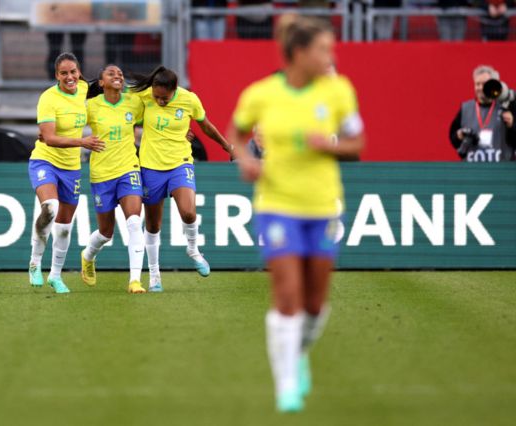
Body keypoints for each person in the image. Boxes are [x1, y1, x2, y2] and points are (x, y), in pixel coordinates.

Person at [229, 15, 364, 412]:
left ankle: (300, 351)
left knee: (315, 305)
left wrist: (330, 144)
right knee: (287, 297)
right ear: (300, 53)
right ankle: (286, 384)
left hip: (322, 206)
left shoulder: (338, 92)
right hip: (277, 206)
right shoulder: (262, 94)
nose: (331, 56)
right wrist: (244, 161)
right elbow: (237, 131)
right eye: (324, 49)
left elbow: (357, 143)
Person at [131, 66, 233, 292]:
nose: (159, 101)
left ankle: (193, 249)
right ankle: (155, 275)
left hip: (180, 163)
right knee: (153, 225)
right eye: (156, 97)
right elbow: (124, 118)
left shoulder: (189, 100)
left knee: (188, 212)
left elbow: (206, 126)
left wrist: (227, 146)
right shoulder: (144, 97)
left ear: (175, 90)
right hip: (150, 166)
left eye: (164, 98)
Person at [27, 52, 105, 294]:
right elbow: (48, 138)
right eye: (64, 73)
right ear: (56, 76)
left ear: (79, 72)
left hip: (71, 168)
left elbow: (118, 98)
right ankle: (34, 263)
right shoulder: (48, 98)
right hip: (45, 161)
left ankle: (56, 275)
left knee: (64, 226)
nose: (69, 77)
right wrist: (83, 142)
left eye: (73, 72)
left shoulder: (86, 90)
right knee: (50, 207)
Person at [79, 64, 147, 294]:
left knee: (135, 222)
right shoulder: (91, 106)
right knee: (106, 233)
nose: (118, 75)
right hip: (102, 174)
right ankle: (88, 256)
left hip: (129, 169)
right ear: (101, 83)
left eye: (120, 73)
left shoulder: (134, 103)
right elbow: (71, 124)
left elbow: (158, 113)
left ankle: (135, 281)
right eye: (111, 73)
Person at [449, 65, 516, 162]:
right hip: (472, 171)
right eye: (477, 84)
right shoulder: (466, 108)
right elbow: (453, 139)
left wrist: (511, 124)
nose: (480, 88)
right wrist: (460, 135)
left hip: (501, 171)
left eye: (484, 84)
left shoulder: (507, 107)